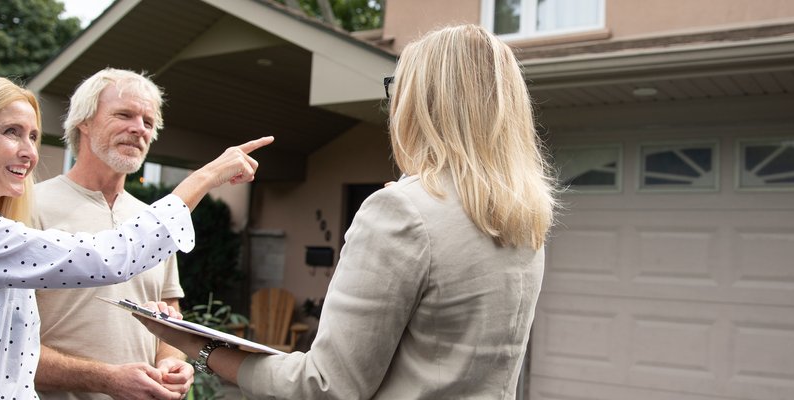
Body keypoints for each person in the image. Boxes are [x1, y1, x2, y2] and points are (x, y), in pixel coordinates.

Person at [140, 24, 558, 399]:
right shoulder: (523, 219)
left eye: (397, 87)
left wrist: (199, 346)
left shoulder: (402, 211)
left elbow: (326, 385)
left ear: (421, 102)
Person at [0, 75, 273, 399]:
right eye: (11, 132)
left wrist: (170, 350)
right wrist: (205, 177)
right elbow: (110, 258)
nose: (30, 152)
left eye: (33, 136)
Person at [31, 69, 192, 400]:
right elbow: (4, 344)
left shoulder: (155, 220)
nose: (139, 128)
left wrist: (172, 361)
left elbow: (169, 308)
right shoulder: (29, 205)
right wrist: (105, 379)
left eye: (148, 122)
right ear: (84, 122)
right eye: (124, 114)